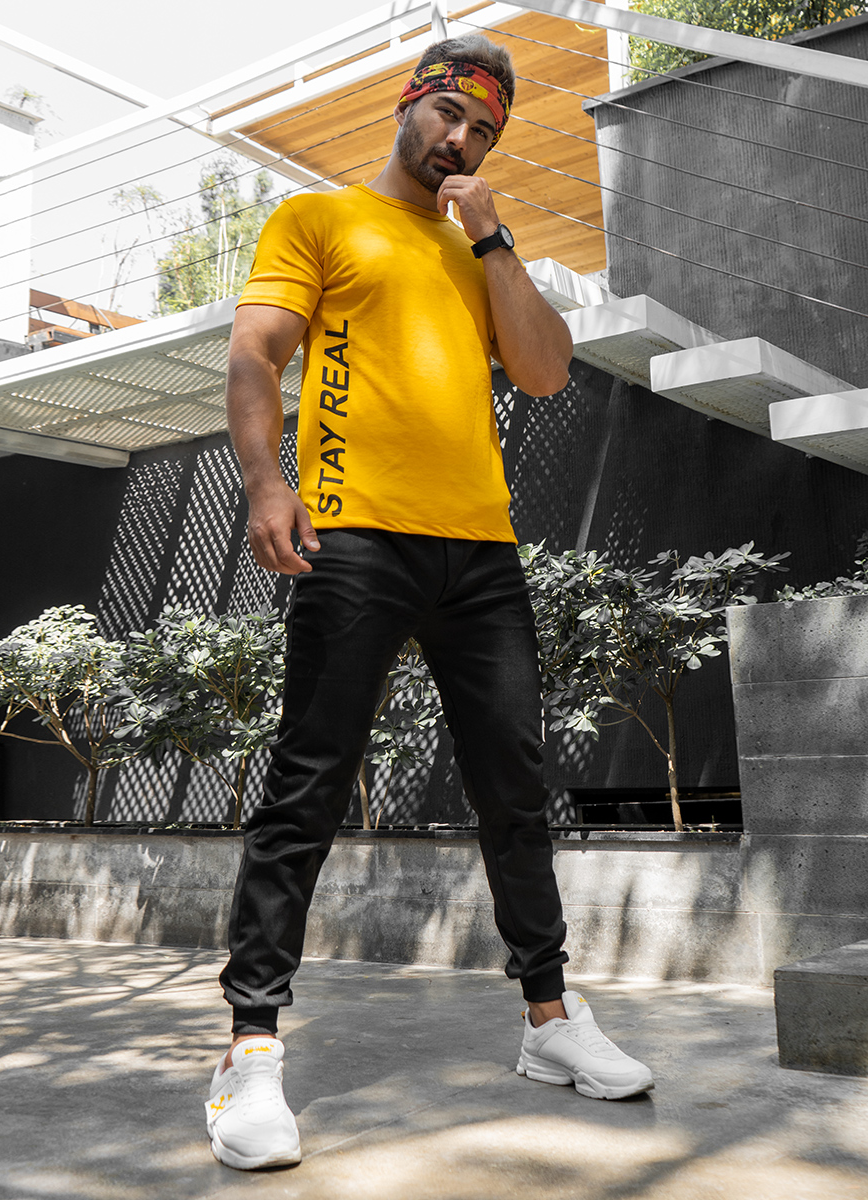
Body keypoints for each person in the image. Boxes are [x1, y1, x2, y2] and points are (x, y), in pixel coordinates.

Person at [206, 33, 654, 1171]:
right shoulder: (319, 220)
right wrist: (266, 482)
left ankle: (549, 1020)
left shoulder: (477, 251)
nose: (463, 138)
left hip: (481, 553)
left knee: (516, 789)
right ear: (411, 102)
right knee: (308, 786)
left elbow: (545, 371)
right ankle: (250, 1049)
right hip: (355, 537)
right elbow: (256, 355)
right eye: (451, 112)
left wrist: (496, 238)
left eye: (485, 129)